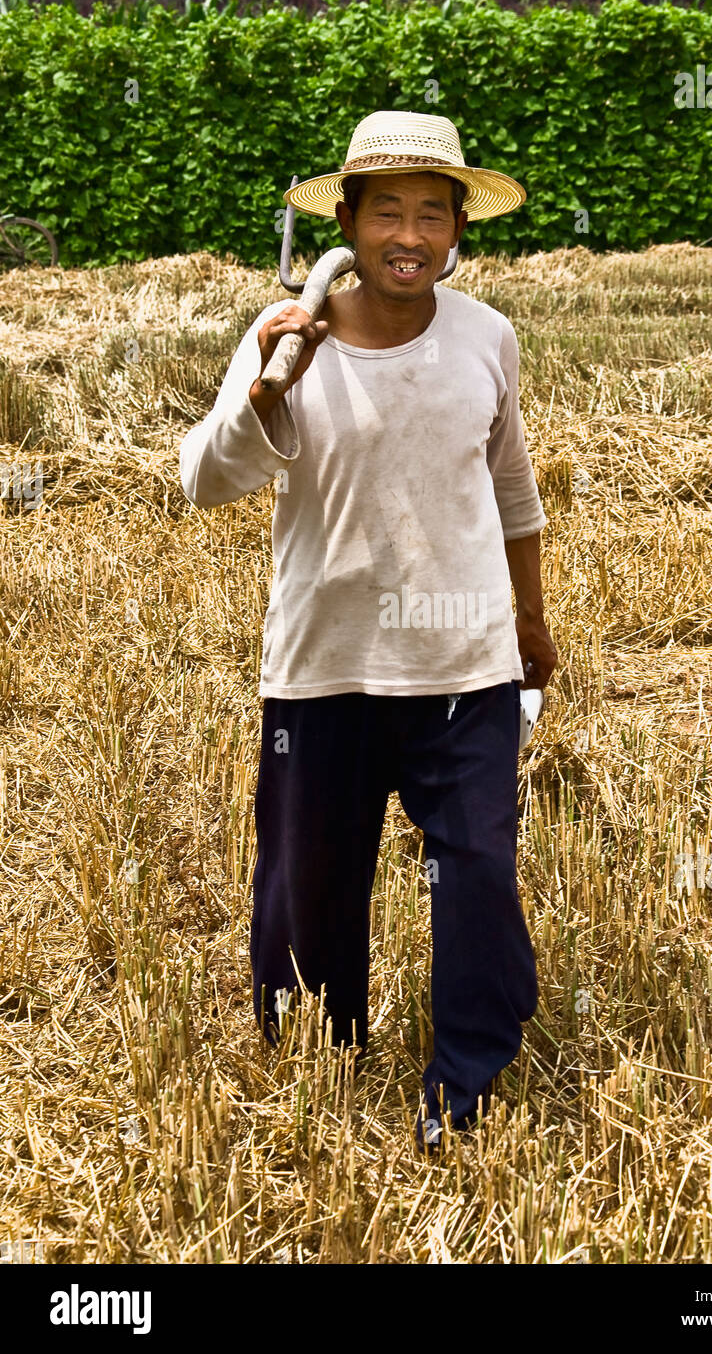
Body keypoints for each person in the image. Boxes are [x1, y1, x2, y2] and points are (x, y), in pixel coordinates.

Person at [178, 110, 557, 1153]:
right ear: (344, 221)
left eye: (430, 214)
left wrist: (529, 618)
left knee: (476, 864)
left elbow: (512, 488)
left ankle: (467, 1073)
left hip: (463, 661)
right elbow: (202, 482)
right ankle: (320, 1058)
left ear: (455, 232)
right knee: (310, 893)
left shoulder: (486, 336)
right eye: (384, 209)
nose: (408, 233)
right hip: (325, 667)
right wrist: (264, 386)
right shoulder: (285, 335)